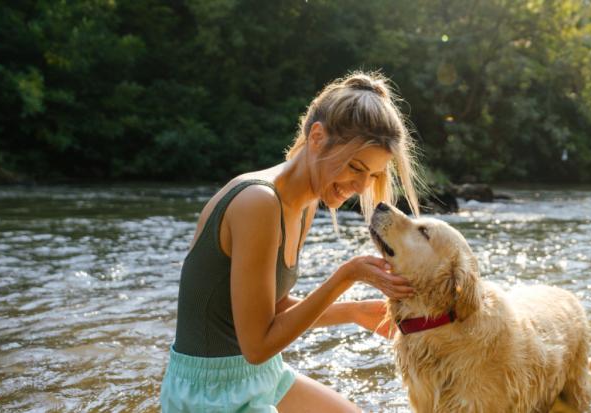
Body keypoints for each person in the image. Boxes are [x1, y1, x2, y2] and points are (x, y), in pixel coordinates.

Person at [160, 71, 424, 412]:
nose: (361, 187)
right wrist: (347, 275)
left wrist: (356, 312)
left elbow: (272, 308)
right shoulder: (258, 202)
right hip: (210, 392)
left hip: (261, 376)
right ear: (317, 136)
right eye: (355, 167)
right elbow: (256, 345)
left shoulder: (305, 203)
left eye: (372, 175)